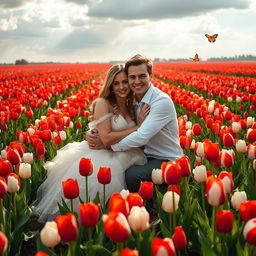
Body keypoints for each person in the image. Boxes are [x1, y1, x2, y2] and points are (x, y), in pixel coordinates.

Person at [33, 64, 149, 222]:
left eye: (124, 82)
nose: (121, 87)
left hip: (128, 154)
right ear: (110, 85)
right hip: (104, 155)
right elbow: (106, 138)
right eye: (116, 83)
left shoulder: (132, 103)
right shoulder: (103, 103)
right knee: (97, 191)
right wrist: (137, 127)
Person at [86, 54, 183, 192]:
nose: (137, 81)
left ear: (151, 76)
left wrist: (110, 146)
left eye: (142, 76)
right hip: (143, 154)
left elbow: (141, 136)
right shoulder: (133, 101)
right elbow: (108, 124)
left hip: (164, 158)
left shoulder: (160, 102)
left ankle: (147, 207)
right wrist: (93, 132)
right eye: (132, 77)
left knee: (131, 175)